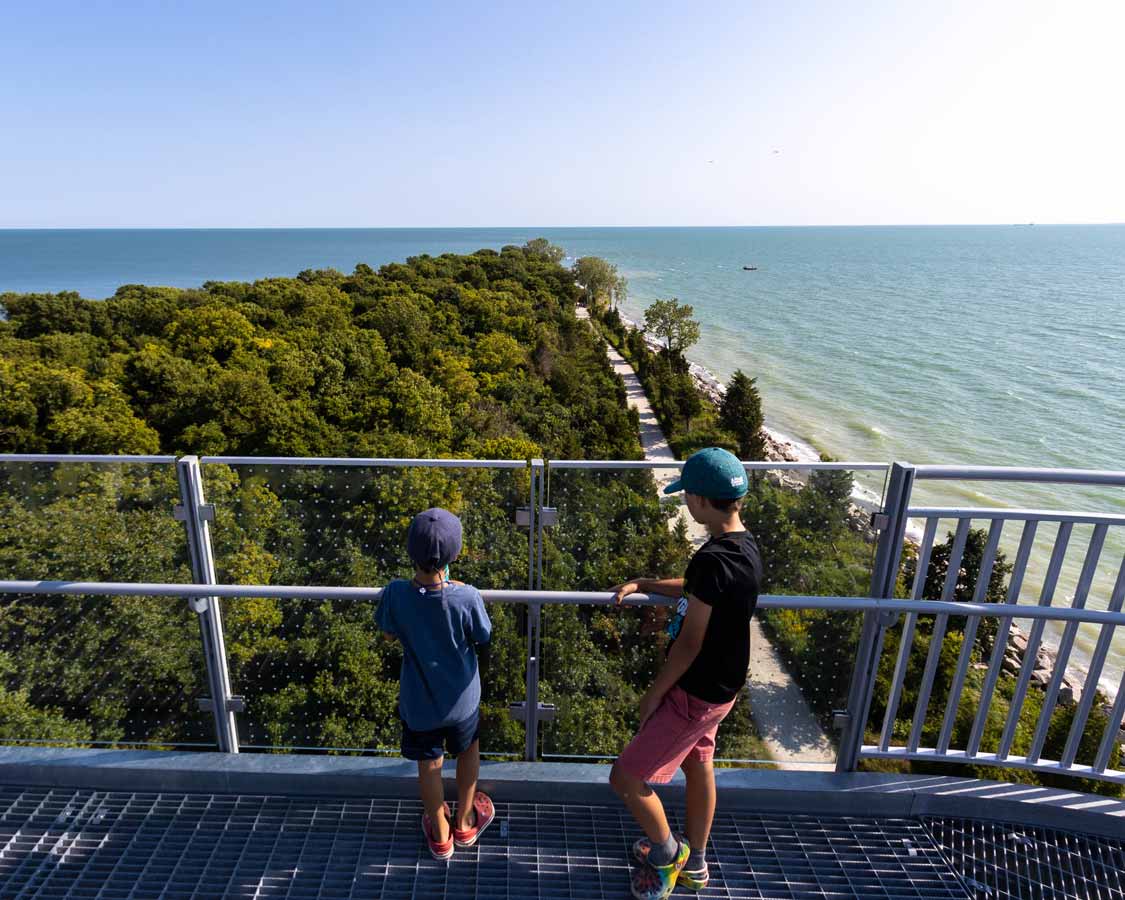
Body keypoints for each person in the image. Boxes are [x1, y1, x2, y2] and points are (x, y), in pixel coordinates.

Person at [608, 447, 762, 899]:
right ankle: (696, 863)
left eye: (687, 497)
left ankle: (666, 853)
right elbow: (702, 593)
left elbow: (691, 641)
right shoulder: (744, 547)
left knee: (627, 778)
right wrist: (648, 582)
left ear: (699, 500)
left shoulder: (712, 559)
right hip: (724, 688)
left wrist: (655, 693)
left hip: (695, 692)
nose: (686, 505)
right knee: (699, 767)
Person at [375, 507, 495, 860]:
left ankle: (441, 836)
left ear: (411, 552)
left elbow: (386, 634)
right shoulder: (467, 596)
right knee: (468, 750)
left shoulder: (395, 593)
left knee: (429, 763)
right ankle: (465, 819)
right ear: (453, 555)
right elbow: (483, 636)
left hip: (419, 701)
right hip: (461, 700)